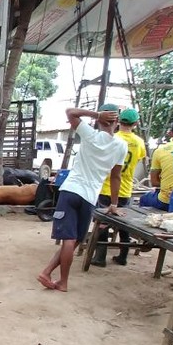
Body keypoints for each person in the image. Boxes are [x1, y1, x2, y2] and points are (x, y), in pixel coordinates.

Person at [37, 105, 126, 292]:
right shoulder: (120, 146)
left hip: (71, 191)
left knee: (69, 240)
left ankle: (59, 279)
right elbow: (116, 176)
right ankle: (51, 275)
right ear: (117, 122)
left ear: (98, 121)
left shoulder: (90, 135)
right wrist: (114, 204)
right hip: (90, 196)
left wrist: (96, 114)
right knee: (76, 239)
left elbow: (70, 112)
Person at [92, 108, 146, 267]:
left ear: (118, 121)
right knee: (124, 224)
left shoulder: (113, 138)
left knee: (101, 222)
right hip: (125, 188)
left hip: (106, 187)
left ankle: (99, 257)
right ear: (135, 123)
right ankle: (123, 255)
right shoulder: (139, 142)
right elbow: (138, 159)